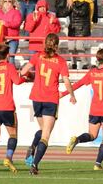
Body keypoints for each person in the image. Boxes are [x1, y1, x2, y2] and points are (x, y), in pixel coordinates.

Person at [20, 33, 76, 175]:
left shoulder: (38, 56)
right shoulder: (61, 61)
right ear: (57, 45)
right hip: (50, 99)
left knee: (43, 129)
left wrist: (33, 76)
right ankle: (34, 164)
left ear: (45, 44)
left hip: (37, 97)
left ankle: (32, 147)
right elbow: (67, 80)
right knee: (46, 134)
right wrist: (72, 95)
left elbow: (23, 71)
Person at [0, 43, 26, 174]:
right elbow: (17, 81)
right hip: (6, 106)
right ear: (7, 55)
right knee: (13, 135)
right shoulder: (9, 67)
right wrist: (25, 77)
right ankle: (8, 158)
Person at [60, 0, 92, 69]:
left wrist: (72, 6)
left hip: (82, 29)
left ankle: (85, 63)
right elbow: (63, 13)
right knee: (70, 47)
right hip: (72, 29)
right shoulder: (71, 3)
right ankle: (73, 63)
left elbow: (81, 13)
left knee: (79, 46)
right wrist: (66, 3)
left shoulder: (85, 3)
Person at [0, 0, 22, 64]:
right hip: (0, 38)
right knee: (0, 59)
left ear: (13, 3)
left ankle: (12, 73)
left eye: (9, 1)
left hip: (12, 39)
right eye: (5, 1)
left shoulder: (16, 12)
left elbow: (17, 23)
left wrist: (5, 23)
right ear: (2, 3)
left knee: (11, 58)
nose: (7, 3)